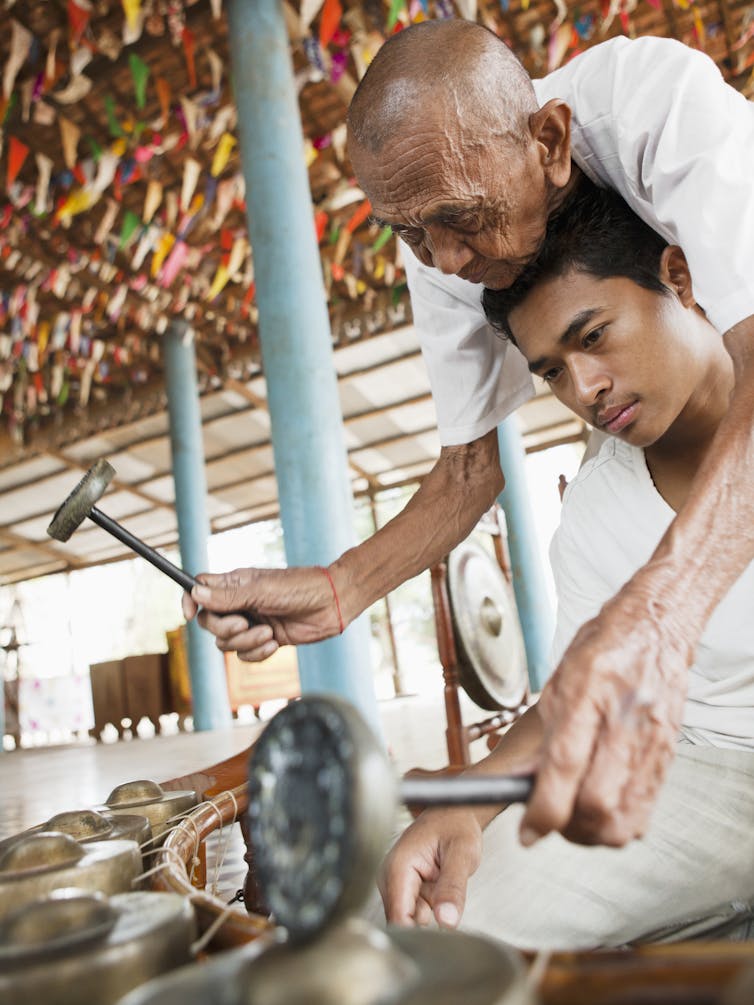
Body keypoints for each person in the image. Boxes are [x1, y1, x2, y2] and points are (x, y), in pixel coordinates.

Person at [183, 20, 754, 848]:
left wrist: (659, 617)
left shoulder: (663, 111)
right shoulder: (443, 232)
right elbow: (469, 470)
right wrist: (341, 589)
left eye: (455, 221)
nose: (444, 261)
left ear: (550, 143)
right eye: (410, 233)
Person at [378, 182, 754, 949]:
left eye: (593, 336)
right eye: (550, 370)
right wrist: (470, 801)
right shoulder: (598, 506)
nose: (584, 389)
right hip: (674, 761)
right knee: (426, 907)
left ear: (679, 278)